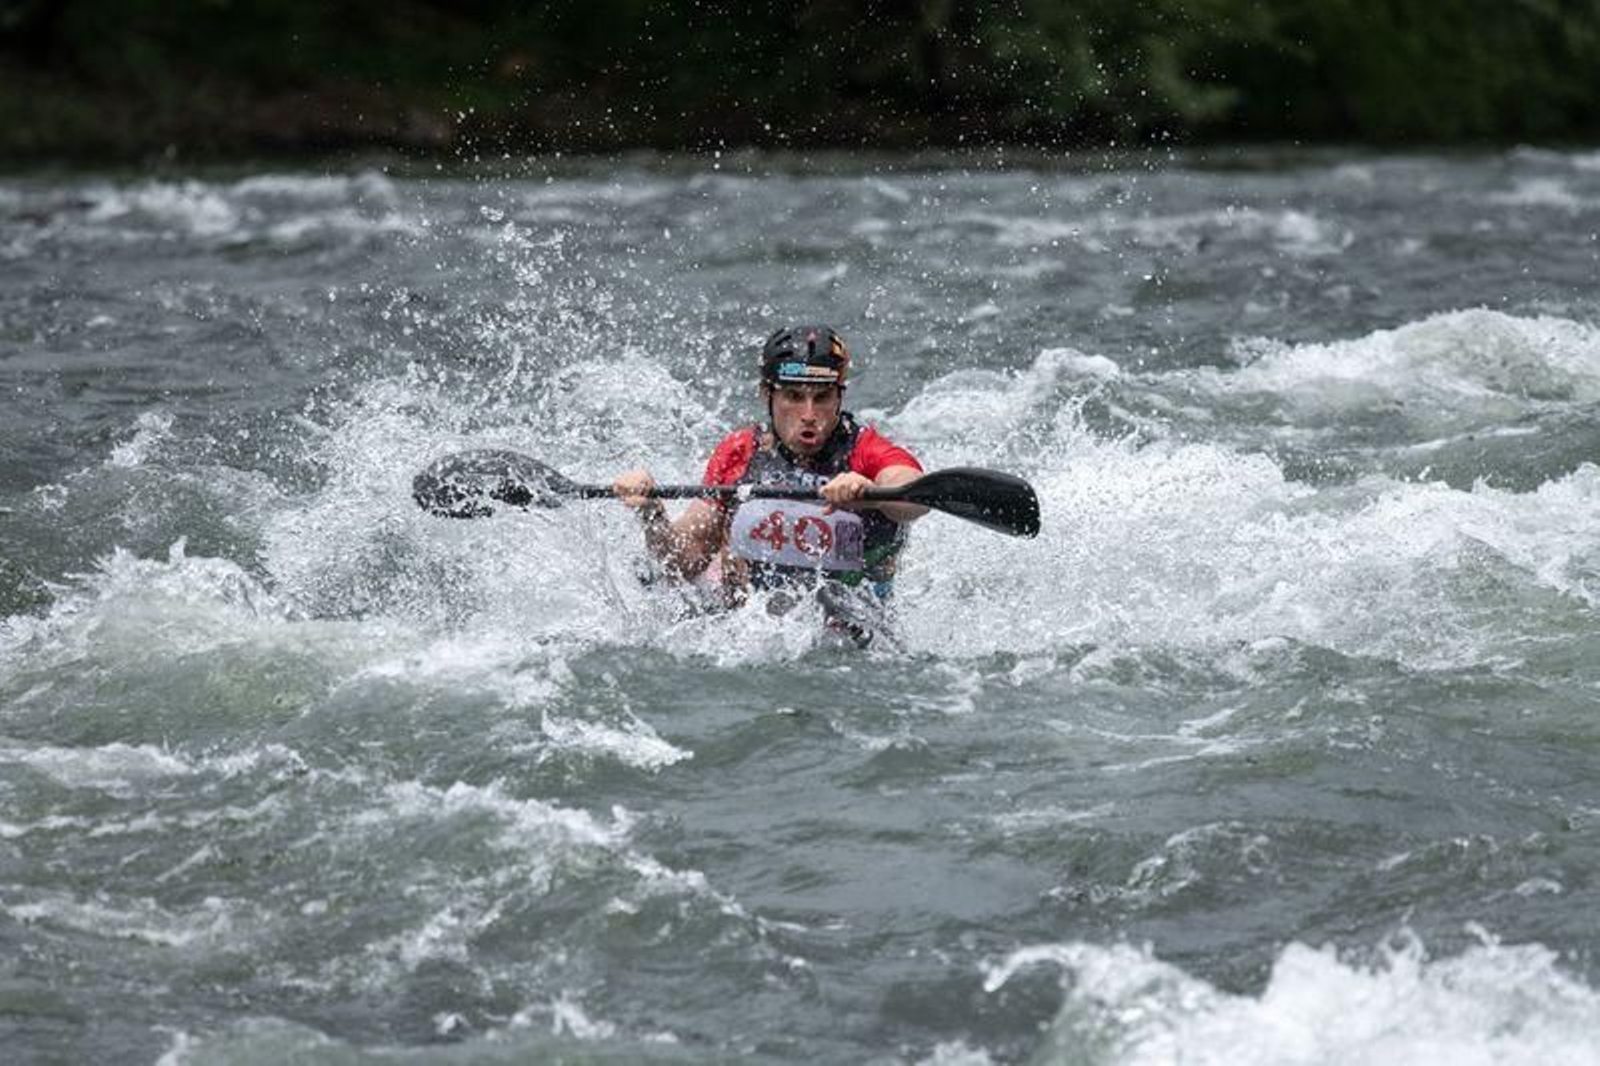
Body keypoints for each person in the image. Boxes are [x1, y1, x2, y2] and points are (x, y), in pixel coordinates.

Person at [612, 325, 926, 624]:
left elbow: (914, 494)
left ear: (839, 397)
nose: (808, 414)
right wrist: (650, 511)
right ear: (767, 394)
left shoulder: (866, 450)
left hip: (852, 621)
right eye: (793, 396)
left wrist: (870, 493)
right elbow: (684, 562)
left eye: (822, 398)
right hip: (751, 628)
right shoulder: (740, 452)